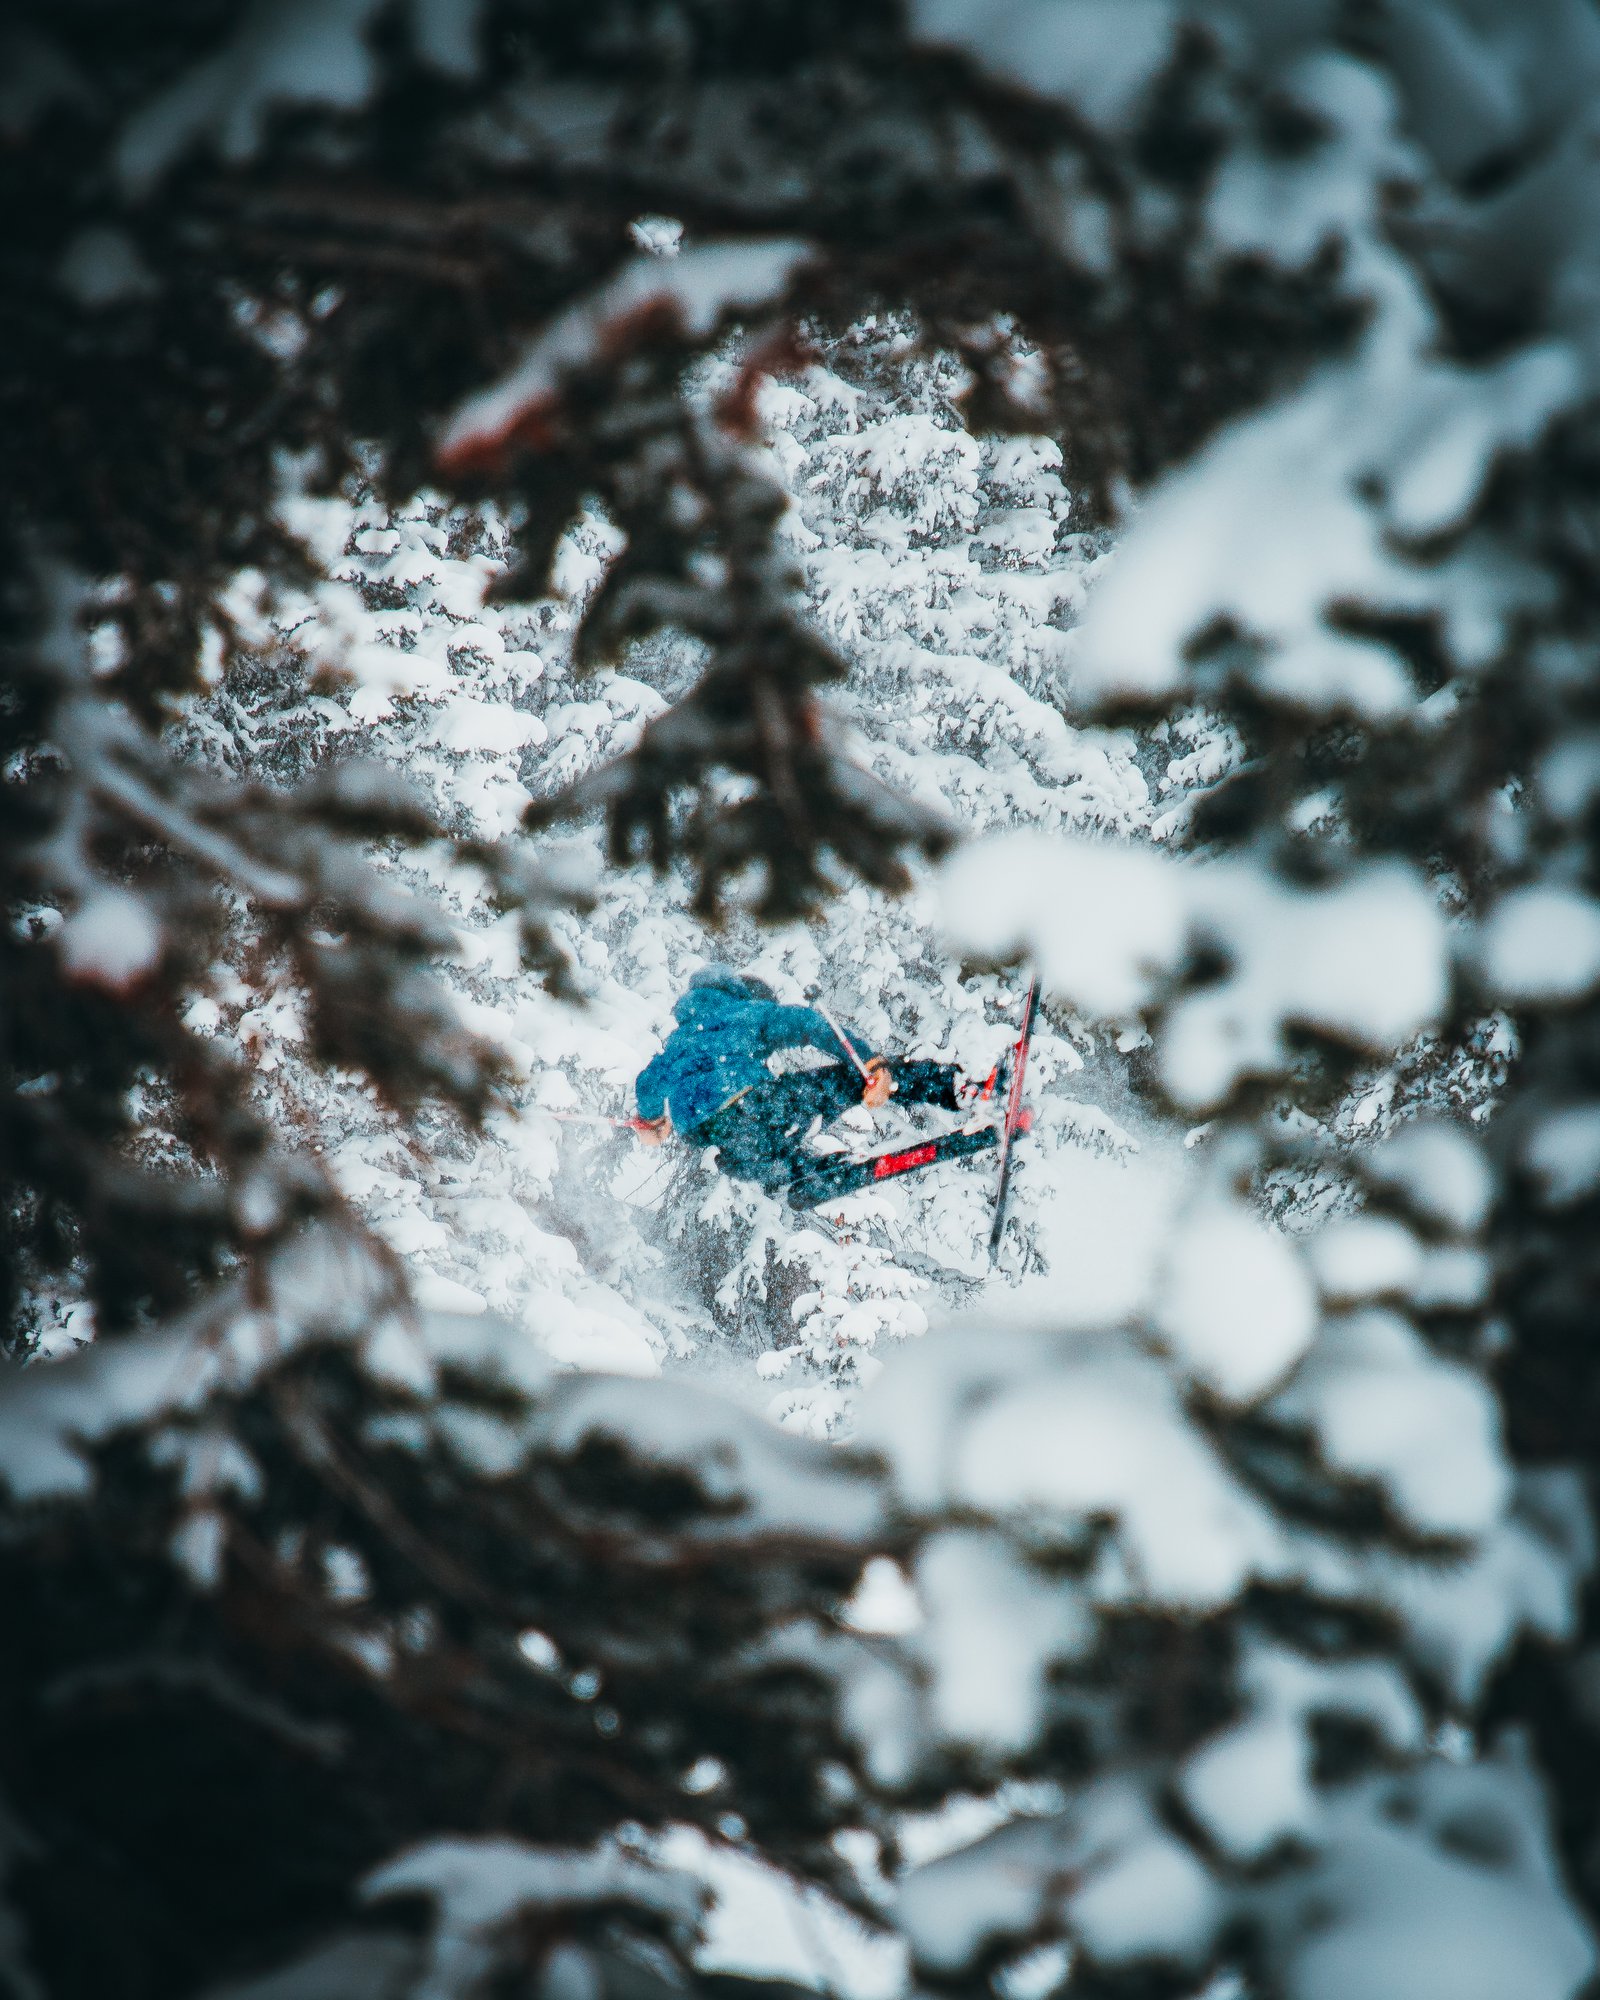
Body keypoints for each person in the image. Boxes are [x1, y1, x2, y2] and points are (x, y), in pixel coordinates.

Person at [633, 966, 968, 1192]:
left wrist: (652, 1121)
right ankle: (953, 1087)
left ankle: (811, 1172)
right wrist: (870, 1062)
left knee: (741, 1161)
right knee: (843, 1084)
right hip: (752, 1101)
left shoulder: (678, 1042)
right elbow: (808, 1023)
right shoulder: (748, 1012)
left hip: (714, 1131)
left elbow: (647, 1084)